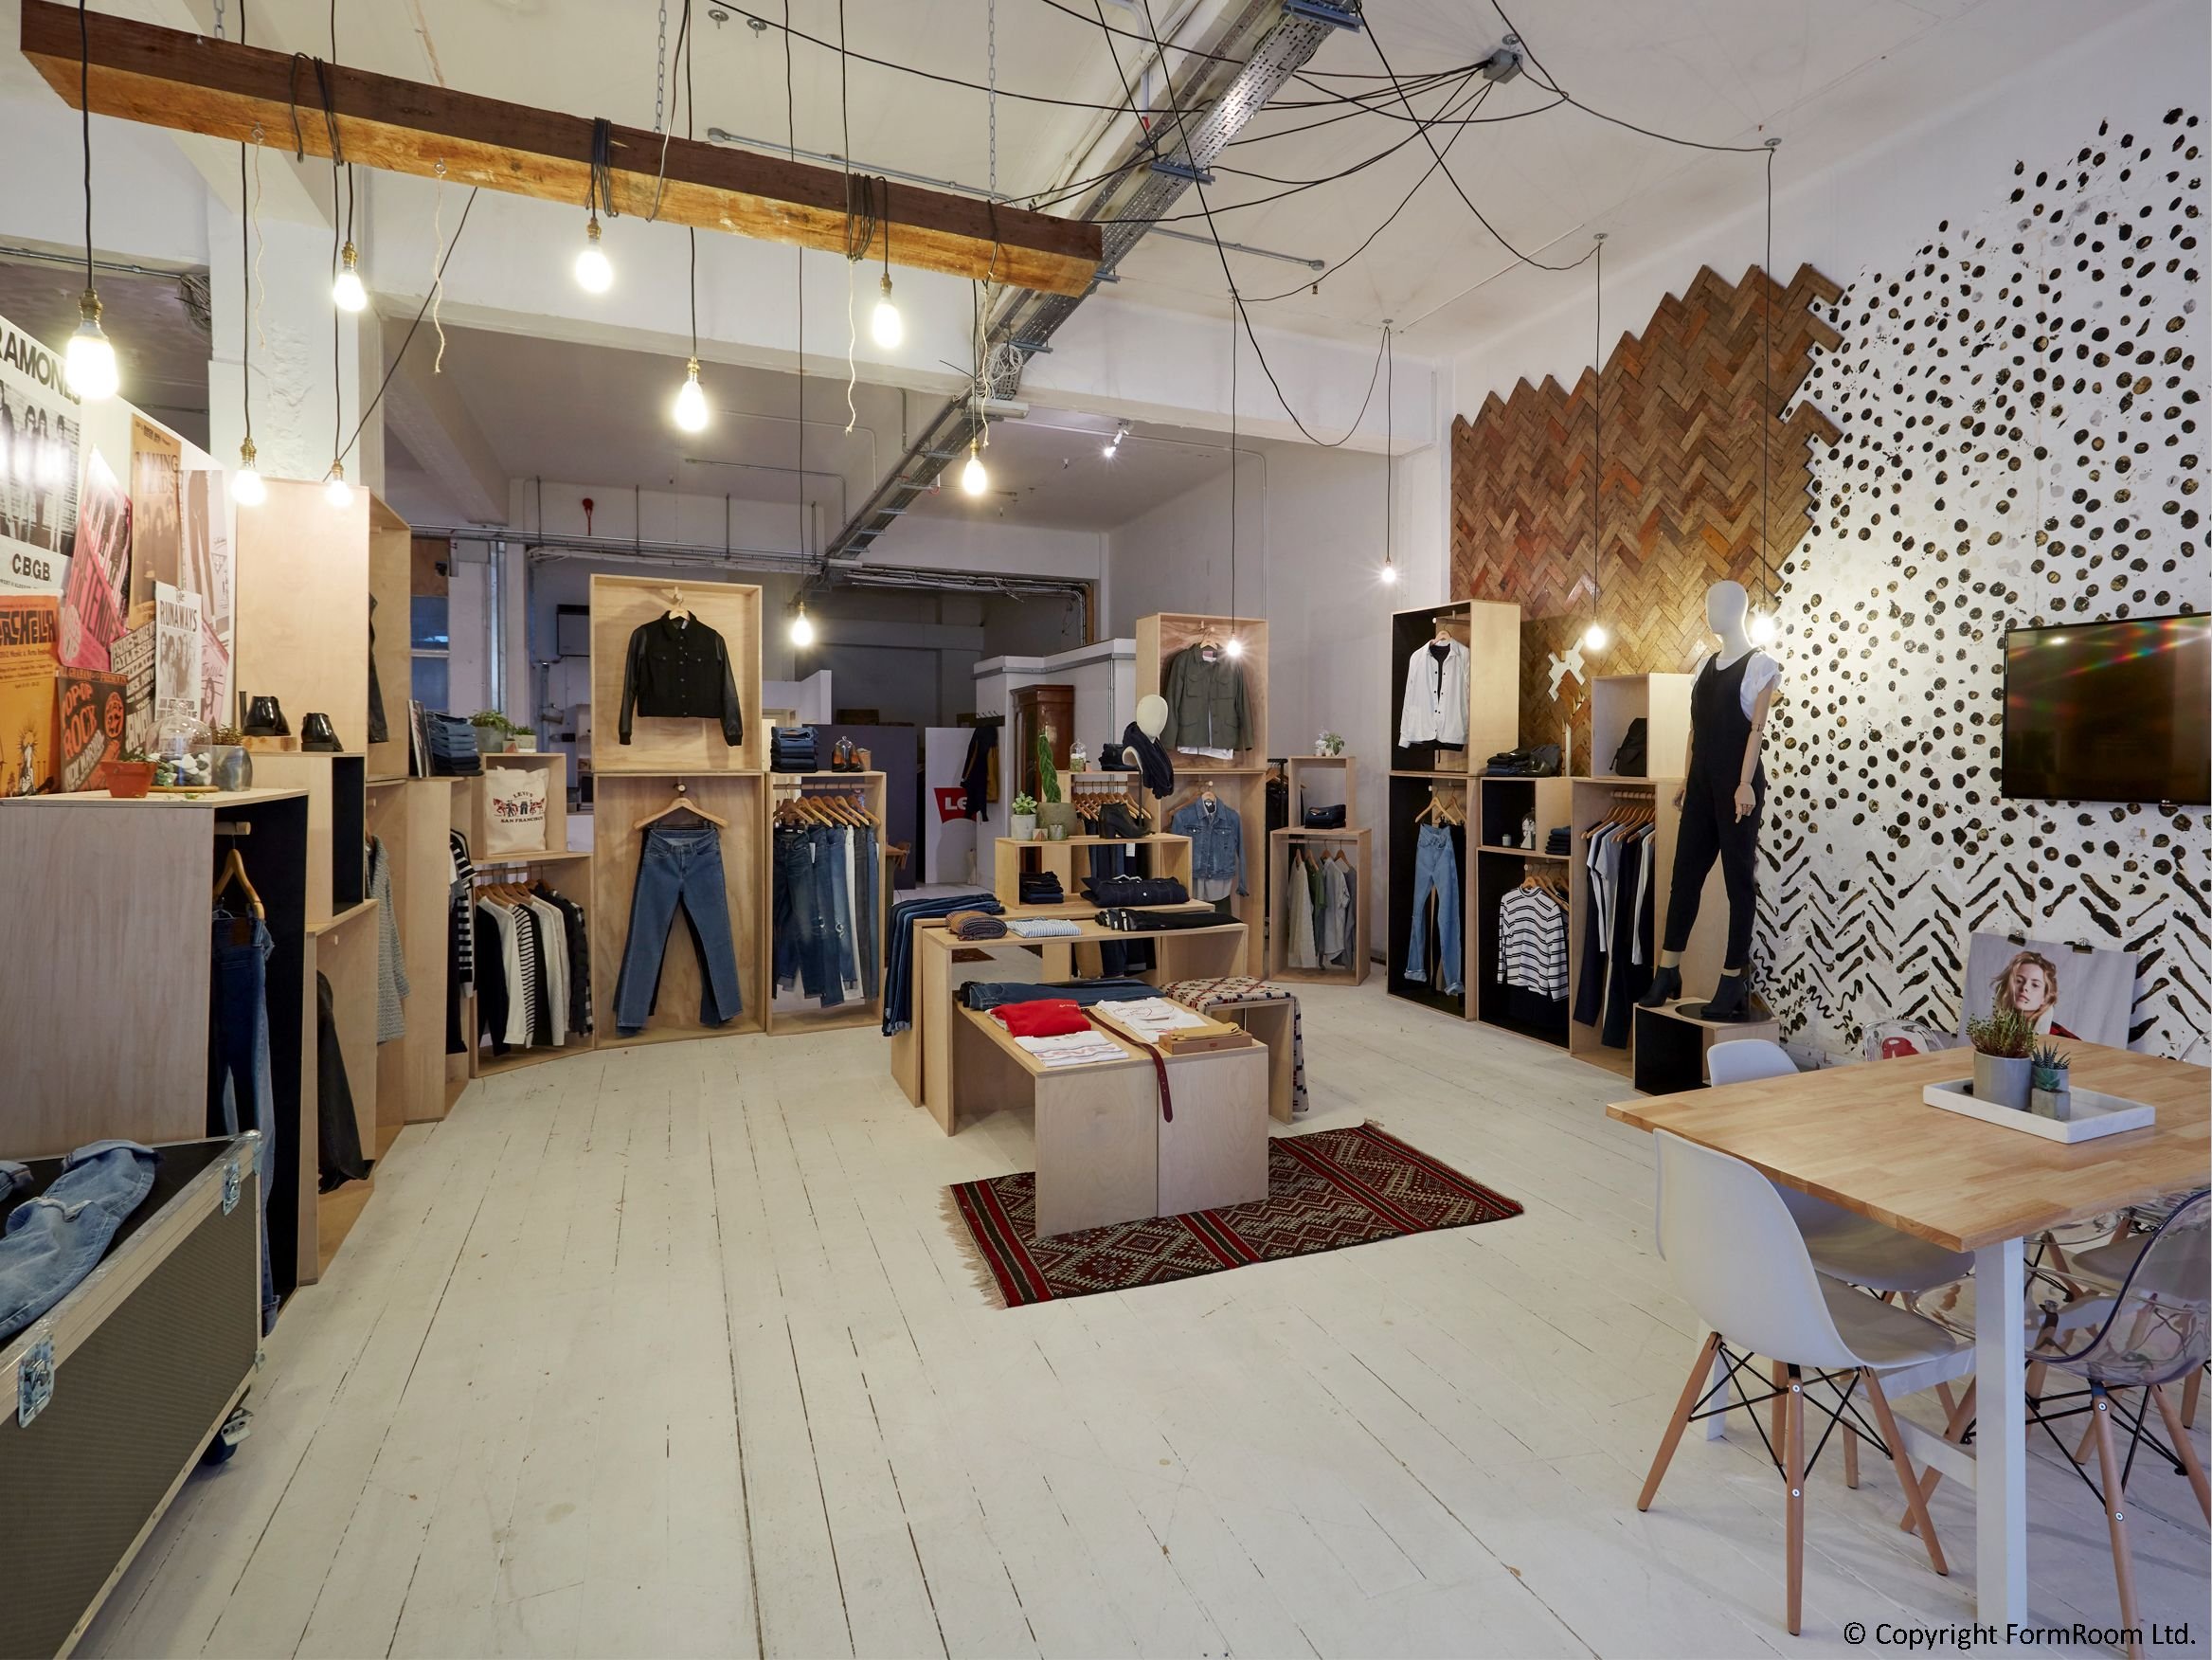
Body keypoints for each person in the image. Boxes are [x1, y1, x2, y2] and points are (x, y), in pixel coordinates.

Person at [1991, 948, 2077, 1038]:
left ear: (2045, 998)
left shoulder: (2062, 1038)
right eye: (2019, 981)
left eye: (2035, 985)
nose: (2025, 987)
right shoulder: (1993, 1034)